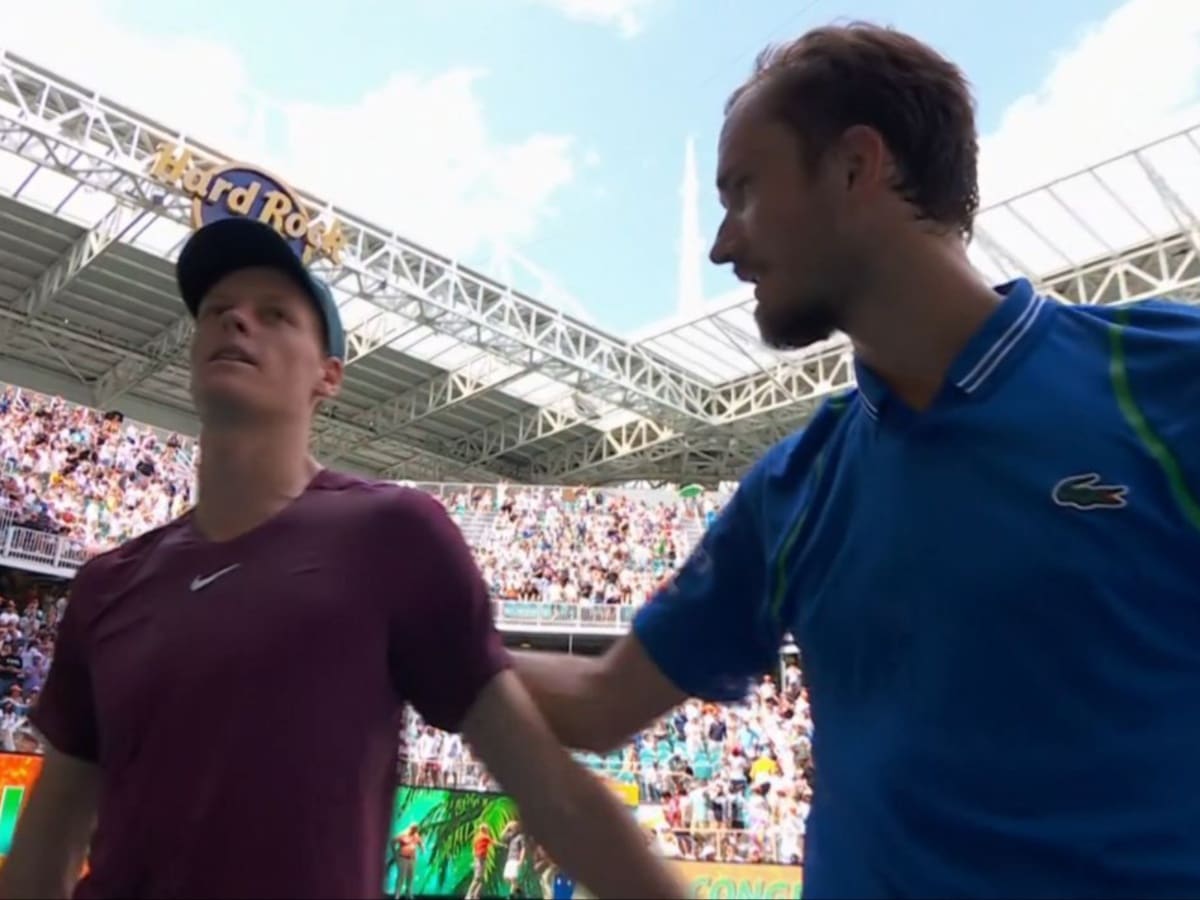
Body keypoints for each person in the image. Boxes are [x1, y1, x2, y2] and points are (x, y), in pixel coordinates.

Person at [515, 21, 1200, 899]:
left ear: (854, 167)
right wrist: (398, 618)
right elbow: (603, 703)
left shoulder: (1160, 380)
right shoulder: (791, 489)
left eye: (746, 193)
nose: (723, 246)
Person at [0, 216, 683, 900]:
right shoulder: (107, 586)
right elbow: (44, 853)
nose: (238, 321)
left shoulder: (394, 538)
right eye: (217, 310)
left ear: (329, 376)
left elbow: (554, 795)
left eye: (275, 315)